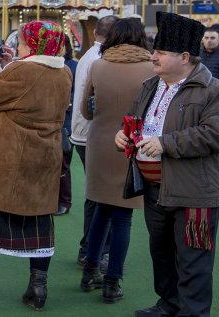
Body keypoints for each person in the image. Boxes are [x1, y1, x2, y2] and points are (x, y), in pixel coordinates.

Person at [115, 12, 219, 317]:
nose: (153, 56)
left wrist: (166, 143)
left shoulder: (211, 90)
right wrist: (124, 135)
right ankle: (169, 304)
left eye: (160, 52)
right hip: (154, 189)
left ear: (184, 57)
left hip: (193, 192)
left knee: (193, 262)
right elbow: (135, 119)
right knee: (161, 255)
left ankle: (192, 312)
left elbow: (213, 134)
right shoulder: (151, 85)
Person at [0, 21, 72, 311]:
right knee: (39, 222)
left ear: (33, 44)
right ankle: (38, 287)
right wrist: (10, 64)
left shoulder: (22, 70)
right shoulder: (63, 71)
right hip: (45, 157)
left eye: (25, 41)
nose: (21, 44)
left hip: (9, 156)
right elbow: (25, 94)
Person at [79, 18, 154, 303]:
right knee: (123, 217)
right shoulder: (152, 70)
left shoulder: (99, 65)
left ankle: (90, 270)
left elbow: (86, 110)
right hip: (133, 146)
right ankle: (112, 281)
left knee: (102, 210)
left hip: (100, 144)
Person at [71, 14, 118, 268]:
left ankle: (90, 246)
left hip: (84, 131)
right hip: (92, 133)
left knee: (96, 193)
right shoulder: (101, 58)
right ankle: (94, 248)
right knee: (102, 195)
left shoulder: (90, 55)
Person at [56, 39, 77, 216]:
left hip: (66, 122)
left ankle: (64, 200)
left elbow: (76, 95)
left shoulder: (72, 66)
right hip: (52, 121)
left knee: (63, 164)